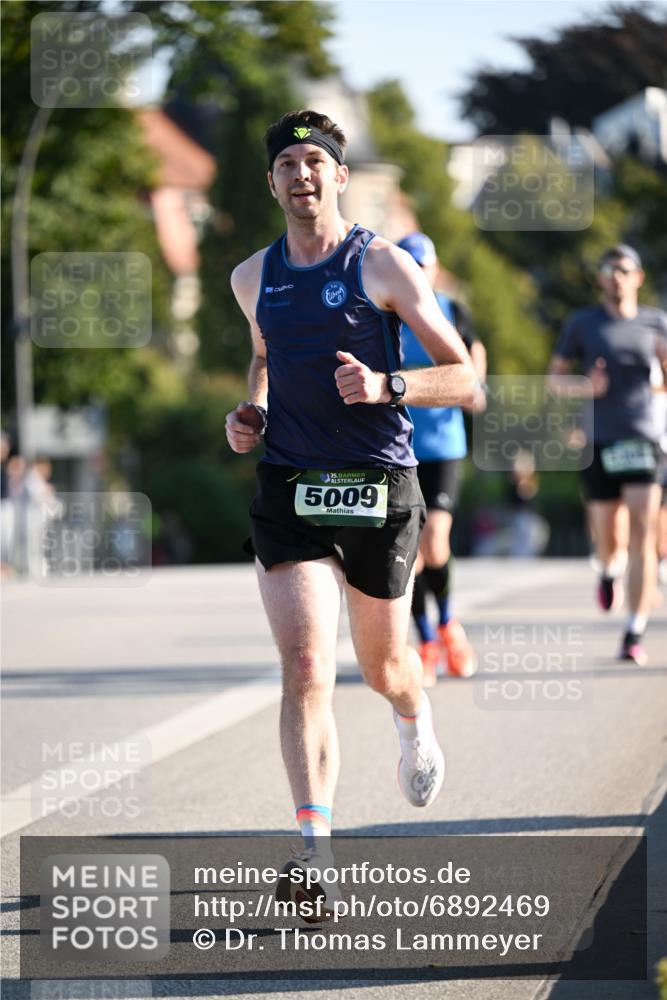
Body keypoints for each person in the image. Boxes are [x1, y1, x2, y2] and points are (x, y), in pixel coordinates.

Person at [225, 109, 476, 917]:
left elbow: (465, 377)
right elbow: (265, 355)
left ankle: (413, 714)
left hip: (377, 484)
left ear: (339, 175)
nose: (302, 175)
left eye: (314, 162)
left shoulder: (384, 265)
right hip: (290, 486)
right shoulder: (249, 277)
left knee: (382, 669)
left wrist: (385, 384)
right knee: (303, 668)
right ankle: (314, 853)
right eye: (287, 164)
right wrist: (250, 411)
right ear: (272, 183)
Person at [548, 244, 667, 666]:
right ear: (600, 279)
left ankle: (634, 631)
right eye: (607, 269)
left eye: (623, 269)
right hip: (601, 441)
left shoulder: (657, 322)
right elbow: (554, 381)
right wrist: (586, 387)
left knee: (644, 535)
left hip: (644, 439)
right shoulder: (583, 324)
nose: (615, 276)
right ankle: (607, 571)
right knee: (609, 541)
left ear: (638, 277)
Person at [397, 232, 486, 683]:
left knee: (435, 542)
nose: (418, 273)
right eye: (409, 264)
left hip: (444, 445)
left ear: (433, 269)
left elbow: (474, 353)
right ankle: (426, 638)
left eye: (424, 265)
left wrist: (477, 387)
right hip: (397, 448)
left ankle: (450, 625)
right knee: (408, 551)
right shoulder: (383, 312)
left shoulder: (450, 310)